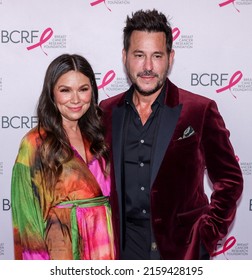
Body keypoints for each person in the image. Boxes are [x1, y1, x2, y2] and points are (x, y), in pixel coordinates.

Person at [99, 9, 243, 260]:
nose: (147, 67)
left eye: (157, 55)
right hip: (121, 251)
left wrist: (204, 238)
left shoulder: (199, 110)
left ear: (170, 57)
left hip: (181, 251)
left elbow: (230, 181)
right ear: (125, 57)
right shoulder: (107, 112)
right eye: (139, 55)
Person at [11, 54, 115, 260]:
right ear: (52, 93)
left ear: (92, 92)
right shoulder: (34, 144)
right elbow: (27, 222)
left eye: (83, 89)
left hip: (105, 247)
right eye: (65, 90)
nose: (75, 99)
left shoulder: (101, 137)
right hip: (61, 251)